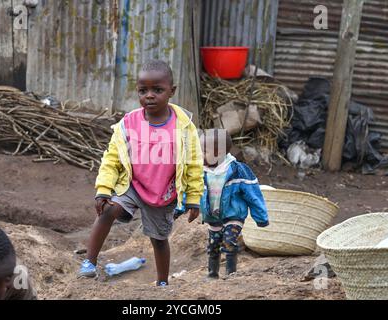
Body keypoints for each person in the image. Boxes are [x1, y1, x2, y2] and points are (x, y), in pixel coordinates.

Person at [79, 60, 204, 286]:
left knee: (158, 240)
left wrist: (194, 198)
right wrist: (104, 189)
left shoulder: (184, 126)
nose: (149, 95)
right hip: (133, 184)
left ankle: (162, 282)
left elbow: (194, 164)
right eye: (143, 90)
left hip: (163, 193)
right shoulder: (129, 123)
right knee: (107, 211)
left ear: (171, 91)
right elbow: (112, 157)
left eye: (158, 90)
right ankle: (89, 262)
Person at [199, 129, 269, 277]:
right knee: (213, 244)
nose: (200, 155)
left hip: (233, 214)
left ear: (219, 154)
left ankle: (231, 274)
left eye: (204, 152)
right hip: (213, 215)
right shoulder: (201, 172)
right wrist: (183, 207)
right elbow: (190, 191)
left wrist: (261, 217)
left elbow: (253, 194)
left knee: (229, 242)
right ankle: (212, 274)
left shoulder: (237, 170)